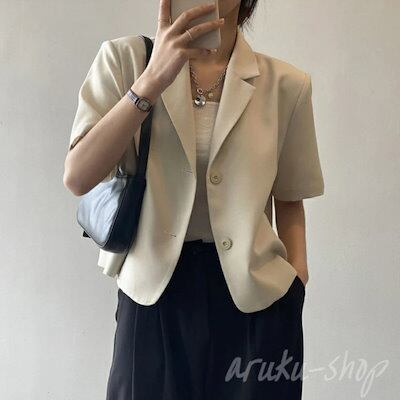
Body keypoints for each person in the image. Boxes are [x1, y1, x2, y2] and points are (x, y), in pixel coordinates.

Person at [64, 0, 325, 399]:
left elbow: (290, 198)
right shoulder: (124, 60)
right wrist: (150, 82)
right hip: (153, 294)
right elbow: (79, 176)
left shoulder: (286, 85)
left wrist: (296, 283)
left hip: (256, 299)